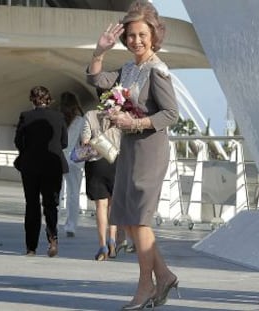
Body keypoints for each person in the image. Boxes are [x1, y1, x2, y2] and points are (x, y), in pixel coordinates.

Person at [86, 1, 179, 309]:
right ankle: (163, 275)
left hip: (150, 150)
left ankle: (145, 286)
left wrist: (134, 122)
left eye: (142, 35)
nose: (135, 40)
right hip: (129, 149)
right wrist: (100, 51)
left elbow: (171, 114)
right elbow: (97, 81)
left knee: (139, 220)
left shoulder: (157, 70)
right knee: (128, 218)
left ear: (153, 35)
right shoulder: (128, 68)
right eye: (130, 35)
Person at [14, 86, 68, 257]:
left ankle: (31, 247)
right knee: (51, 204)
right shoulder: (59, 117)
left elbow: (18, 141)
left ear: (32, 99)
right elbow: (64, 142)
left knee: (32, 205)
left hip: (30, 166)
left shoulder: (26, 116)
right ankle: (53, 240)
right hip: (53, 165)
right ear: (49, 99)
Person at [81, 109, 121, 261]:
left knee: (101, 206)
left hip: (96, 163)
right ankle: (112, 240)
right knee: (112, 205)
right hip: (115, 161)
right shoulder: (118, 114)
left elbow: (85, 140)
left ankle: (102, 245)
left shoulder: (90, 115)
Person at [59, 91, 85, 238]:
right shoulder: (80, 121)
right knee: (74, 194)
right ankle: (71, 226)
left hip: (59, 159)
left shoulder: (58, 119)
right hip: (75, 161)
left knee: (58, 192)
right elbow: (84, 140)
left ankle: (53, 222)